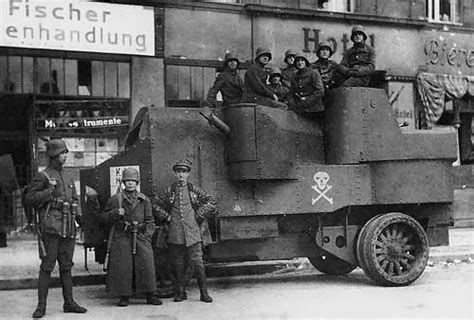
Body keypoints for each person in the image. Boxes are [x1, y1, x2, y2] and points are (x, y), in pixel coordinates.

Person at [24, 139, 87, 318]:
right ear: (53, 155)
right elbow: (29, 199)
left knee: (66, 266)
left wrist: (79, 216)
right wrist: (48, 192)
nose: (65, 156)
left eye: (66, 153)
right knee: (47, 266)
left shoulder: (67, 176)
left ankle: (69, 302)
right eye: (62, 153)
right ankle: (41, 307)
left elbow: (74, 198)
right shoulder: (43, 176)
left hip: (68, 226)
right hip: (51, 227)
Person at [153, 159, 216, 303]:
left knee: (197, 262)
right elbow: (154, 204)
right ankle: (180, 292)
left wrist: (198, 215)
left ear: (188, 174)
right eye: (179, 172)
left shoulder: (194, 190)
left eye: (184, 172)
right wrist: (167, 217)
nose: (181, 175)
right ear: (175, 174)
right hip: (175, 232)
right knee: (178, 264)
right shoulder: (170, 190)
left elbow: (211, 202)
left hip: (193, 231)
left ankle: (204, 293)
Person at [101, 167, 162, 307]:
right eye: (127, 180)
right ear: (123, 182)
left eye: (133, 181)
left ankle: (150, 294)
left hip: (140, 235)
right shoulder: (116, 199)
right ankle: (124, 296)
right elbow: (103, 218)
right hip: (122, 234)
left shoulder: (144, 199)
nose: (130, 183)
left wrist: (147, 236)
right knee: (123, 265)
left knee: (146, 262)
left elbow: (150, 221)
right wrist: (116, 212)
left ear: (137, 183)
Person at [288, 52, 325, 116]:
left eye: (302, 60)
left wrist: (307, 100)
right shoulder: (294, 76)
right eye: (297, 61)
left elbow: (320, 91)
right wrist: (293, 104)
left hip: (314, 109)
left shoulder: (314, 73)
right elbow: (291, 92)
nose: (300, 63)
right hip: (300, 108)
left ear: (305, 62)